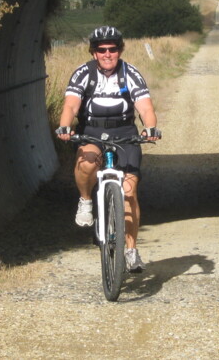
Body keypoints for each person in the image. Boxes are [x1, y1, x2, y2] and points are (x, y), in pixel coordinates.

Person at [55, 26, 161, 273]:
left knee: (130, 193)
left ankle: (131, 251)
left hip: (124, 133)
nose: (107, 54)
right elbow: (71, 105)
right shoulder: (83, 74)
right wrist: (64, 126)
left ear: (120, 50)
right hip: (92, 131)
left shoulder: (131, 74)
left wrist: (151, 127)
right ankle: (85, 200)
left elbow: (145, 108)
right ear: (93, 53)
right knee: (87, 162)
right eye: (101, 50)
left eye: (112, 49)